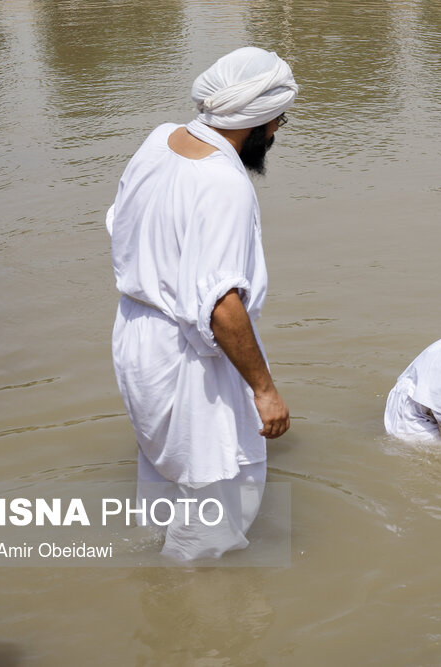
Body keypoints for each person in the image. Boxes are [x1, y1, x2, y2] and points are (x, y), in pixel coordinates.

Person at [107, 47, 297, 559]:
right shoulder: (224, 183)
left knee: (164, 470)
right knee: (218, 489)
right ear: (257, 122)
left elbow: (118, 225)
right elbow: (221, 306)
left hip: (136, 336)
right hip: (187, 354)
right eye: (279, 120)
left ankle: (150, 572)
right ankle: (199, 611)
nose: (278, 131)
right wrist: (265, 390)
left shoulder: (158, 141)